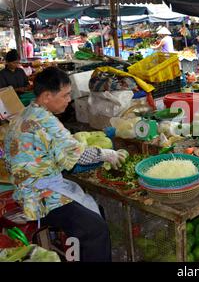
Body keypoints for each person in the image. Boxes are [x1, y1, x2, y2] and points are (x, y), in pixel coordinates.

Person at [4, 67, 128, 261]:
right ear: (46, 96)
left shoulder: (26, 113)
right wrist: (106, 154)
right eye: (65, 95)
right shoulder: (46, 121)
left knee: (95, 210)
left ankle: (77, 253)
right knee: (95, 230)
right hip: (40, 198)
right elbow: (77, 157)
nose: (69, 100)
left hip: (24, 189)